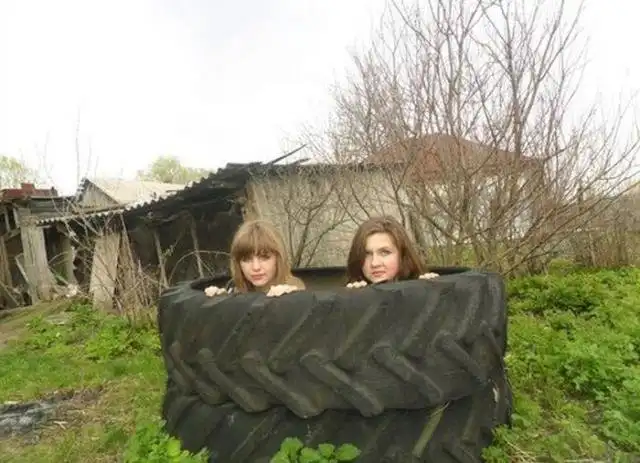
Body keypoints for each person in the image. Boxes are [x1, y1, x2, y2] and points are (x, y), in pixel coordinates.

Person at [204, 219, 305, 298]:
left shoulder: (295, 289)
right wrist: (222, 300)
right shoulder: (235, 291)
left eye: (264, 258)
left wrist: (293, 298)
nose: (256, 267)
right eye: (246, 259)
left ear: (278, 259)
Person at [345, 215, 438, 288]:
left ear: (403, 255)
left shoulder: (422, 286)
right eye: (367, 254)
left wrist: (433, 289)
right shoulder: (349, 295)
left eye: (384, 252)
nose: (374, 263)